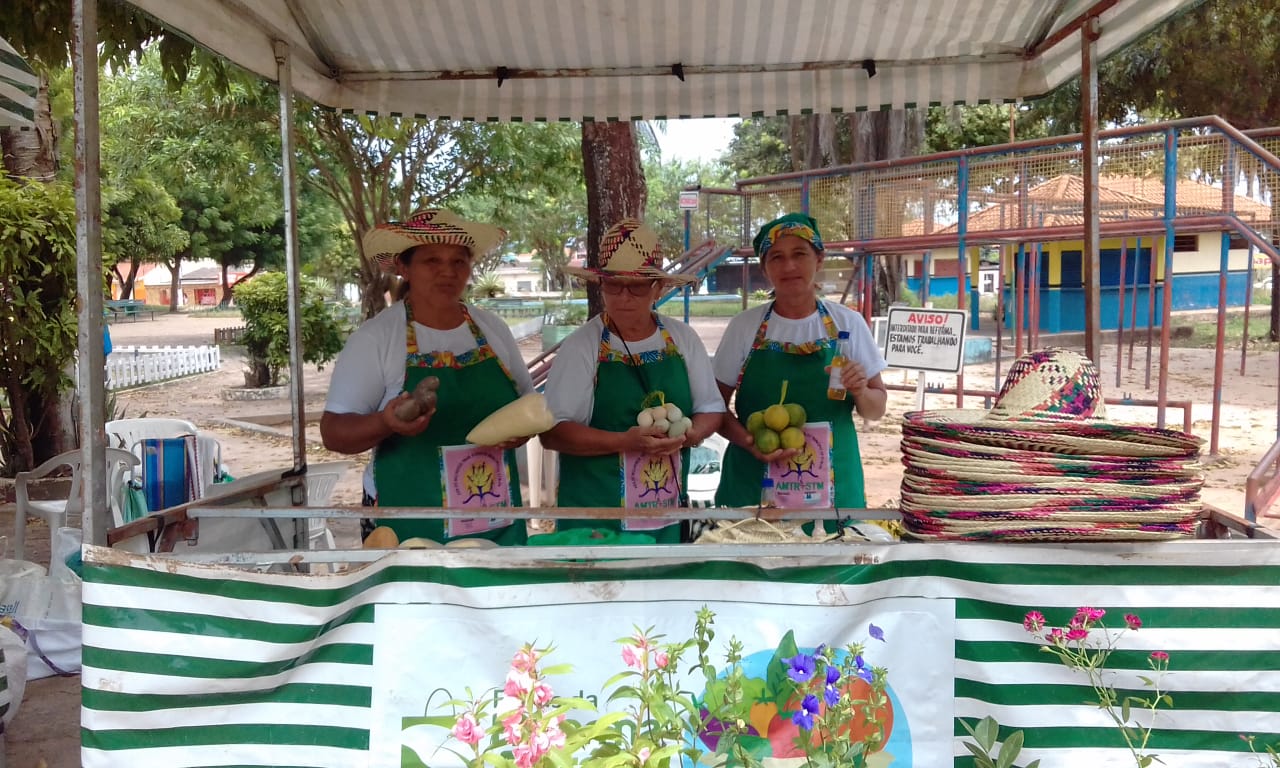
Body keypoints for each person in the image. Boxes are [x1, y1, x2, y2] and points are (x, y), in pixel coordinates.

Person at [320, 209, 535, 546]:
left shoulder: (493, 330)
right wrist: (386, 423)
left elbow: (528, 406)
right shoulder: (376, 338)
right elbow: (333, 433)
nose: (447, 272)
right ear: (404, 267)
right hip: (407, 518)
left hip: (493, 516)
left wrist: (521, 433)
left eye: (458, 261)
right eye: (432, 260)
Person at [542, 219, 725, 543]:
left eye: (637, 286)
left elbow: (711, 408)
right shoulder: (582, 346)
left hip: (663, 513)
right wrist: (624, 442)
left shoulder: (682, 339)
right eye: (614, 286)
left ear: (658, 288)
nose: (624, 297)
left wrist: (687, 436)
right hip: (596, 518)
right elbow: (554, 433)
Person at [713, 213, 887, 524]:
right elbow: (713, 407)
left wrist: (860, 389)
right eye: (776, 257)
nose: (789, 266)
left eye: (800, 254)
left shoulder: (848, 324)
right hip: (754, 487)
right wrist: (750, 443)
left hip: (834, 489)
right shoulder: (745, 327)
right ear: (765, 268)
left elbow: (875, 410)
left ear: (819, 260)